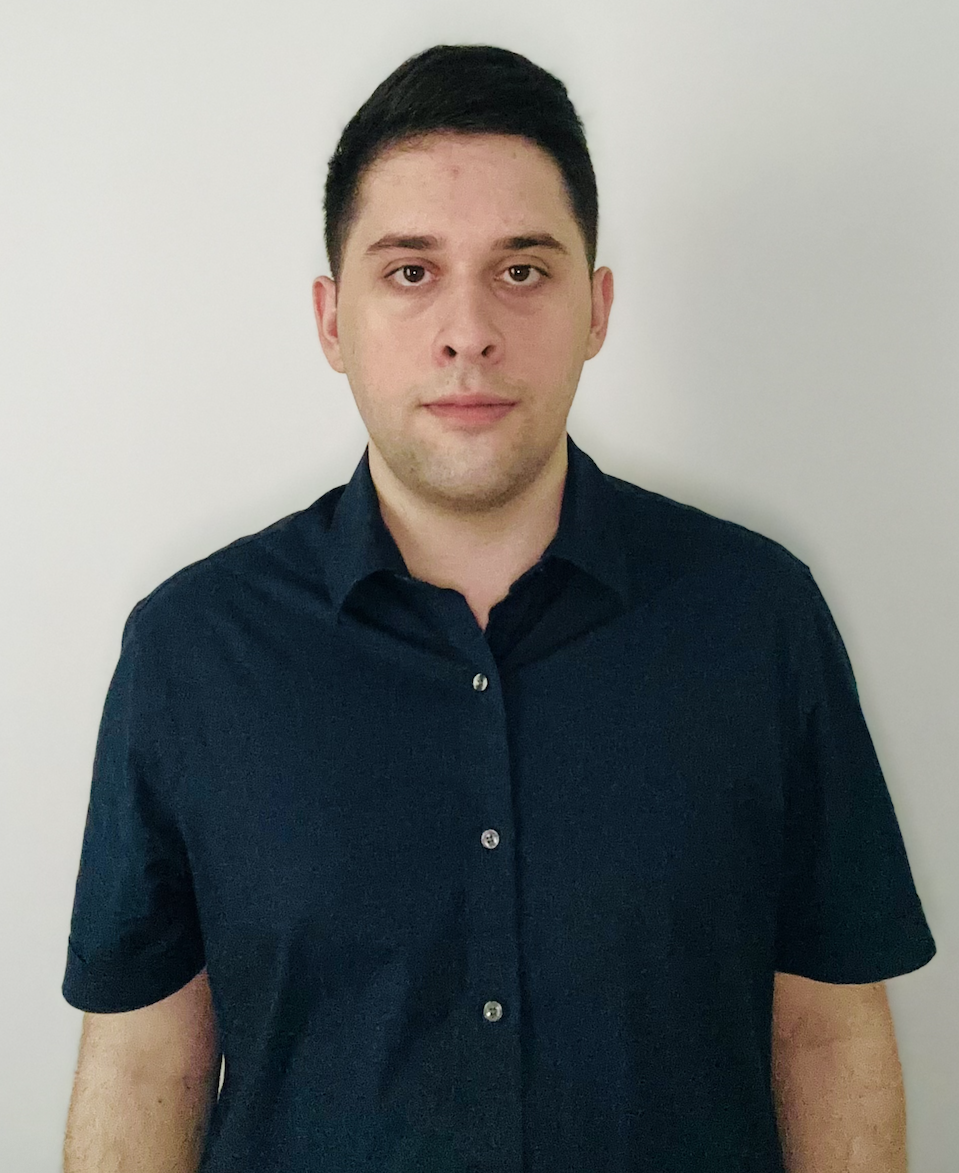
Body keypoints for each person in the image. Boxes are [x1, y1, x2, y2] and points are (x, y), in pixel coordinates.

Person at [61, 43, 936, 1173]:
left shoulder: (757, 620)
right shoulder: (192, 650)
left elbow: (825, 1030)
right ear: (331, 320)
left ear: (596, 308)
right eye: (409, 271)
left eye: (520, 269)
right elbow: (144, 1062)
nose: (467, 329)